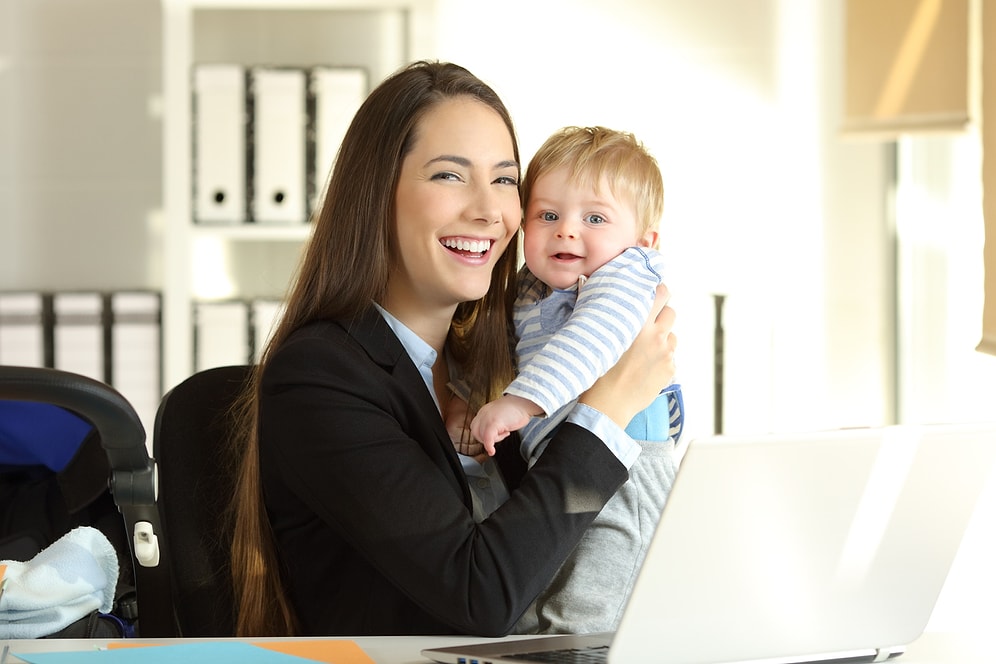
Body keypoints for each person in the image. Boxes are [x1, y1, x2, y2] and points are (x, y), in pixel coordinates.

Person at [227, 60, 678, 638]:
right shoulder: (319, 375)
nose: (488, 210)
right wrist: (608, 410)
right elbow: (478, 594)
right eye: (448, 175)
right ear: (377, 195)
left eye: (505, 180)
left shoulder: (499, 361)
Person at [457, 126, 683, 633]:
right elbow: (497, 347)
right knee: (546, 588)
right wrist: (462, 398)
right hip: (564, 459)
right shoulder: (531, 287)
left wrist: (520, 403)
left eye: (594, 218)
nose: (566, 231)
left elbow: (592, 341)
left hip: (626, 467)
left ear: (643, 240)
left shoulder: (626, 275)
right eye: (548, 215)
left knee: (589, 604)